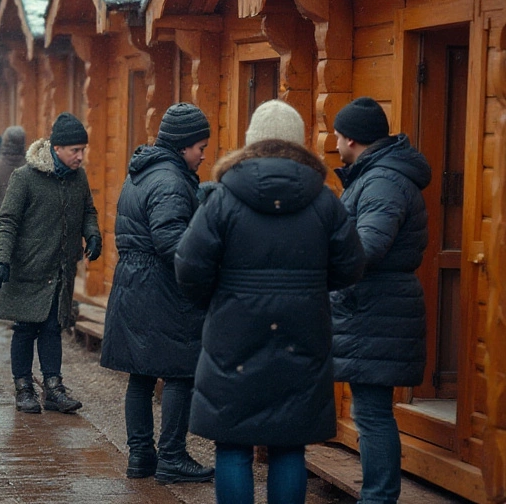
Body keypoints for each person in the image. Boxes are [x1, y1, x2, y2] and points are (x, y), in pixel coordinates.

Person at [175, 100, 364, 504]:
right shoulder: (324, 199)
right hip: (303, 333)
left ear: (250, 142)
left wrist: (217, 299)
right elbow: (350, 266)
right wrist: (310, 287)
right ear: (298, 143)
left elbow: (189, 267)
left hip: (233, 334)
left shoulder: (223, 198)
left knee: (232, 443)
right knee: (289, 444)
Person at [101, 103, 214, 484]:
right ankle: (172, 457)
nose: (203, 154)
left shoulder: (144, 172)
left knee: (142, 374)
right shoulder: (169, 180)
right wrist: (208, 266)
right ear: (183, 145)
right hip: (161, 288)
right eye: (200, 146)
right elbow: (171, 241)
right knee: (180, 372)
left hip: (133, 283)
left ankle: (140, 457)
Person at [331, 96, 430, 504]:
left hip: (375, 307)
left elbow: (367, 246)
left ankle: (378, 498)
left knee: (371, 414)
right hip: (373, 307)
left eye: (337, 134)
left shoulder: (382, 181)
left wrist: (322, 256)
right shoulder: (376, 176)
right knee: (369, 412)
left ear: (351, 138)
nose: (334, 141)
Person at [0, 113, 98, 415]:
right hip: (28, 267)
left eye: (83, 150)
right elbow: (7, 220)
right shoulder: (25, 177)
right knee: (25, 329)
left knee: (52, 328)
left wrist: (93, 233)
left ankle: (53, 388)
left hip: (60, 269)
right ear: (56, 148)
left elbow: (88, 209)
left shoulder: (79, 178)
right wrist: (2, 260)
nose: (80, 156)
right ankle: (23, 388)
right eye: (75, 150)